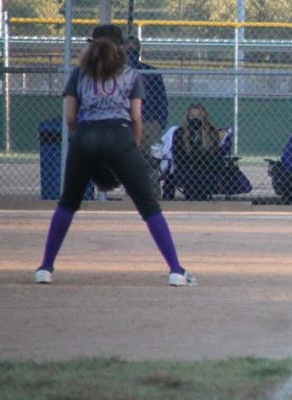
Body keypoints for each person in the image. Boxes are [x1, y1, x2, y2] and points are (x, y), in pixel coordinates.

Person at [35, 24, 195, 287]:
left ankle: (45, 268)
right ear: (121, 48)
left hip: (86, 136)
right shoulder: (131, 74)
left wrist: (79, 141)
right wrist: (132, 145)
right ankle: (176, 271)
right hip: (120, 135)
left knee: (67, 203)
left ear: (92, 45)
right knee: (149, 206)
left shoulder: (79, 74)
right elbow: (136, 117)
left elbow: (70, 117)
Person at [125, 35, 168, 198]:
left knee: (151, 162)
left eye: (135, 49)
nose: (132, 53)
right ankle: (132, 196)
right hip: (127, 123)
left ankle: (153, 196)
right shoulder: (118, 72)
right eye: (128, 49)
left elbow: (161, 98)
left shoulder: (150, 72)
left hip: (149, 123)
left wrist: (160, 122)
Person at [169, 104, 229, 201]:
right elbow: (178, 156)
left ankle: (202, 198)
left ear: (204, 117)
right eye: (192, 116)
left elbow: (214, 156)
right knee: (189, 176)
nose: (195, 119)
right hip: (187, 168)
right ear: (188, 117)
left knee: (203, 176)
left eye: (198, 116)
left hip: (206, 169)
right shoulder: (179, 132)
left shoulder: (211, 132)